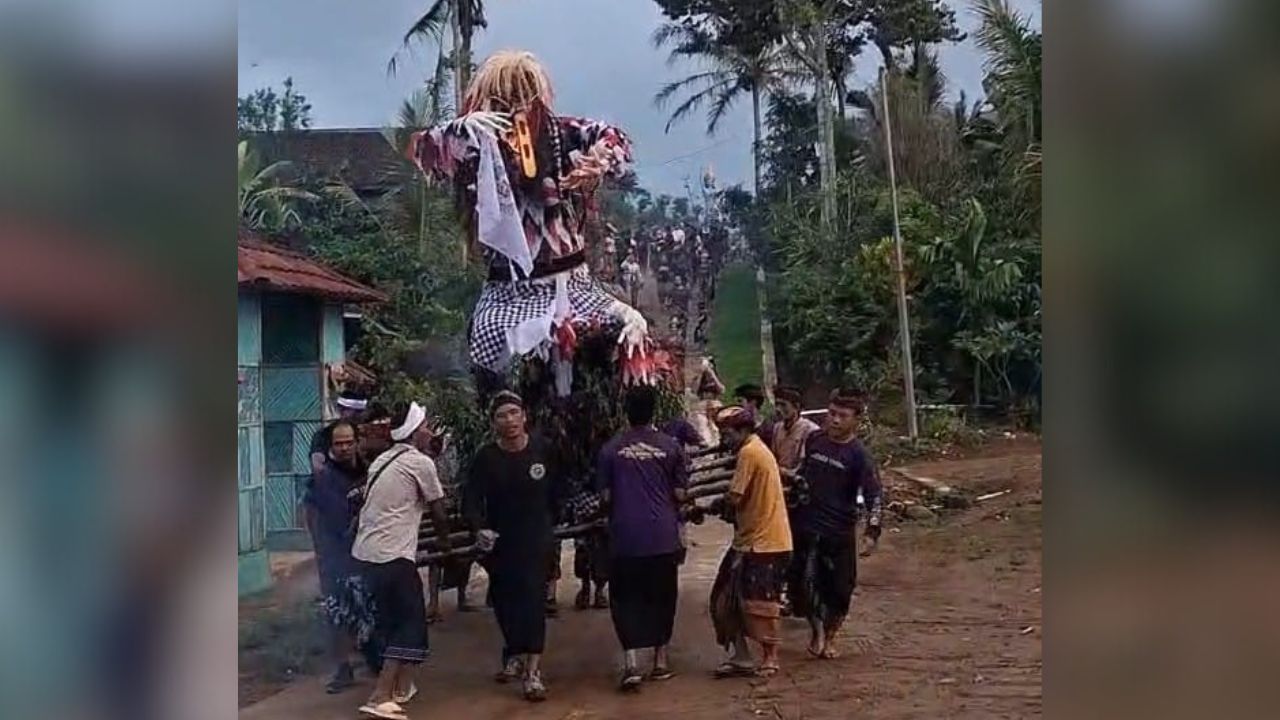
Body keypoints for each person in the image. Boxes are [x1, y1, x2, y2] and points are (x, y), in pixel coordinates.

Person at [352, 402, 454, 720]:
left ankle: (402, 687)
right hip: (392, 556)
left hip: (367, 555)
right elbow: (438, 510)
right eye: (424, 426)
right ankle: (380, 696)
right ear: (413, 433)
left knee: (399, 620)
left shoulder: (381, 460)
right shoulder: (419, 462)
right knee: (406, 624)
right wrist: (446, 546)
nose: (428, 431)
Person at [463, 391, 564, 702]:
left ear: (524, 416)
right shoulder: (486, 457)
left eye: (513, 413)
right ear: (493, 422)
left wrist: (551, 523)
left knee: (534, 603)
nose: (509, 420)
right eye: (501, 415)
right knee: (505, 605)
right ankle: (515, 652)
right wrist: (479, 529)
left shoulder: (543, 450)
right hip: (500, 545)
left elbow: (559, 490)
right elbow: (470, 500)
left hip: (536, 541)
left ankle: (533, 672)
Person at [599, 385, 689, 691]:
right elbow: (680, 494)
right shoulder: (671, 447)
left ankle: (631, 663)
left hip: (625, 538)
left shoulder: (610, 449)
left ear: (626, 412)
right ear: (654, 411)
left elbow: (605, 497)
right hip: (662, 537)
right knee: (662, 598)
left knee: (625, 600)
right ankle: (660, 661)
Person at [789, 389, 883, 659]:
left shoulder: (859, 456)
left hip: (838, 532)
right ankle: (817, 631)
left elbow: (874, 495)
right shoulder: (814, 440)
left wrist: (872, 532)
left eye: (842, 416)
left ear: (857, 420)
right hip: (805, 526)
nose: (835, 420)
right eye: (831, 414)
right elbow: (801, 473)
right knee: (803, 586)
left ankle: (831, 636)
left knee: (840, 590)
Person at [708, 406, 792, 680]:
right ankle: (742, 656)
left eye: (727, 433)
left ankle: (770, 657)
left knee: (760, 604)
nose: (724, 438)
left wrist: (710, 506)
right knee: (725, 600)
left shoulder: (749, 452)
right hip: (751, 540)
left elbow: (734, 496)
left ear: (743, 431)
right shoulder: (754, 449)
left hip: (764, 542)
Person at [305, 421, 377, 694]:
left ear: (357, 441)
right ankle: (343, 668)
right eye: (339, 443)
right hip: (334, 555)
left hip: (368, 553)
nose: (345, 448)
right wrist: (321, 551)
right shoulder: (322, 478)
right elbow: (310, 514)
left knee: (369, 608)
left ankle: (374, 658)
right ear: (331, 447)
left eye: (349, 442)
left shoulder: (370, 471)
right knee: (336, 612)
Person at [769, 385, 819, 474]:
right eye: (777, 404)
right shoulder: (777, 428)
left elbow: (804, 465)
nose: (778, 409)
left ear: (796, 406)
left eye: (783, 405)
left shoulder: (810, 430)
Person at [733, 384, 775, 448]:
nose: (737, 406)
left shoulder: (768, 428)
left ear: (753, 402)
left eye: (740, 401)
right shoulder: (736, 426)